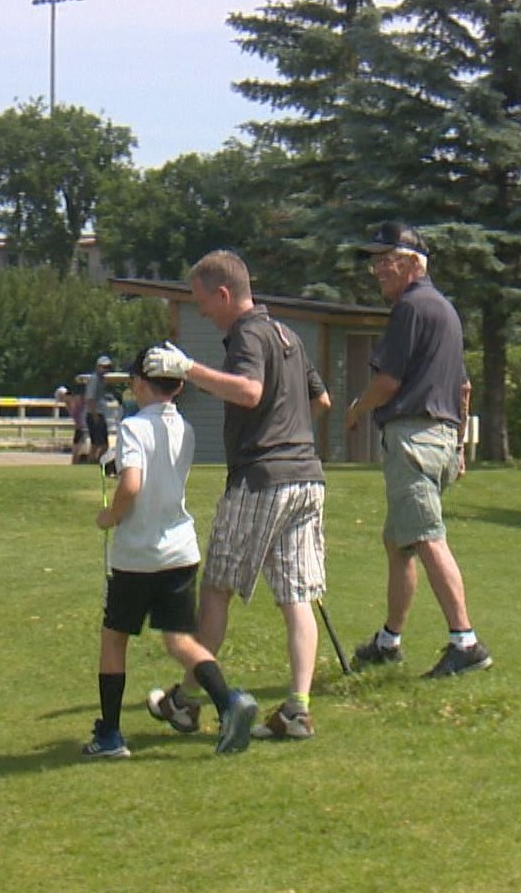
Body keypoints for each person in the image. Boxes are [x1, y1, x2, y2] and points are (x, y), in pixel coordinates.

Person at [144, 249, 331, 741]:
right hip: (306, 478)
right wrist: (287, 428)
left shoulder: (248, 333)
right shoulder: (286, 334)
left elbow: (248, 392)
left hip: (261, 479)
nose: (202, 311)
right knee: (297, 597)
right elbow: (321, 400)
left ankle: (187, 702)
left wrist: (188, 369)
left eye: (204, 302)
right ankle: (297, 709)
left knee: (216, 589)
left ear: (224, 294)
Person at [84, 346, 258, 759]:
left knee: (114, 639)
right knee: (180, 639)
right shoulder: (186, 428)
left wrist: (109, 516)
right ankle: (228, 701)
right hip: (179, 551)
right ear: (179, 385)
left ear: (140, 384)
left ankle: (109, 735)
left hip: (137, 554)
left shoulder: (132, 428)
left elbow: (131, 485)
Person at [346, 221, 491, 678]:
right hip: (442, 439)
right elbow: (463, 387)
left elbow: (387, 383)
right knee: (398, 542)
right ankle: (389, 640)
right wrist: (461, 450)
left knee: (426, 536)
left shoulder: (410, 308)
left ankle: (464, 642)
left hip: (414, 439)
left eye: (385, 261)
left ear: (411, 264)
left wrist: (354, 409)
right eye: (375, 262)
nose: (377, 271)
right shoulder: (446, 310)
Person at [84, 354, 114, 465]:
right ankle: (92, 462)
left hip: (99, 413)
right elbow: (90, 398)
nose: (105, 369)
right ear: (98, 367)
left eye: (107, 367)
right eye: (103, 367)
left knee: (101, 444)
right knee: (97, 444)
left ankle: (97, 462)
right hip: (95, 414)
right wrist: (94, 414)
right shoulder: (94, 379)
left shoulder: (102, 381)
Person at [54, 384, 89, 464]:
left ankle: (76, 463)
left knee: (78, 448)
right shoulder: (68, 404)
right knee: (75, 448)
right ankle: (74, 463)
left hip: (83, 427)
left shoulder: (77, 400)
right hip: (79, 427)